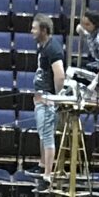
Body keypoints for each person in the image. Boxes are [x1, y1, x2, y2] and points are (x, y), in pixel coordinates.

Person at [30, 14, 67, 183]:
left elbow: (59, 76)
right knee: (43, 134)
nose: (32, 31)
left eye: (35, 28)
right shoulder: (43, 47)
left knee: (47, 136)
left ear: (44, 30)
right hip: (41, 97)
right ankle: (42, 165)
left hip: (47, 99)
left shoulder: (53, 48)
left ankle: (47, 175)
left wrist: (56, 98)